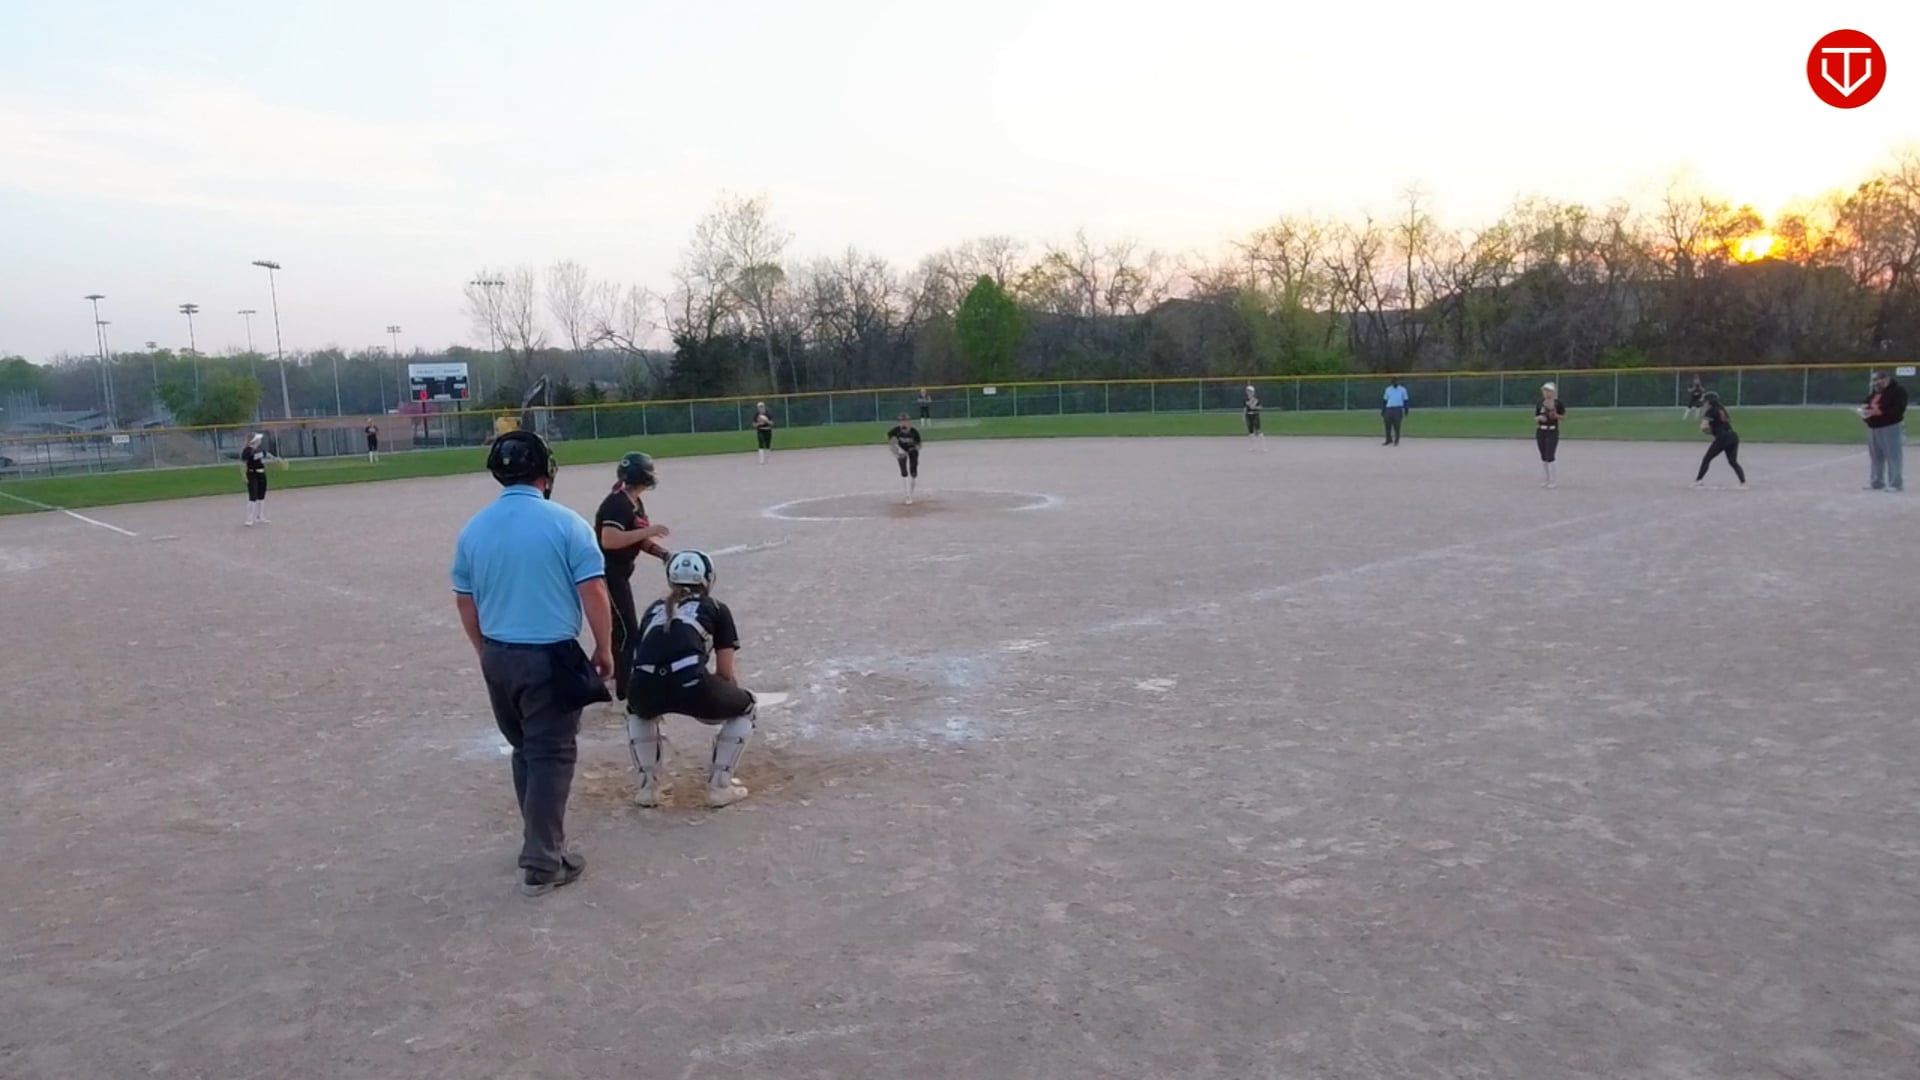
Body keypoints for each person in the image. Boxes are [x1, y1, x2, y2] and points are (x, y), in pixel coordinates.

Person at [451, 430, 614, 897]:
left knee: (526, 749)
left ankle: (540, 842)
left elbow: (465, 600)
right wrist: (604, 648)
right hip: (548, 655)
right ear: (546, 472)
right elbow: (593, 590)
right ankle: (543, 861)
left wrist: (484, 651)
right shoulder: (566, 523)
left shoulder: (474, 528)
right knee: (551, 755)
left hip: (498, 653)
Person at [624, 550, 758, 809]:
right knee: (747, 706)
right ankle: (720, 786)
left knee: (637, 710)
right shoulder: (716, 608)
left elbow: (642, 657)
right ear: (708, 578)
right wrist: (718, 701)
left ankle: (648, 788)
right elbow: (725, 673)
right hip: (691, 684)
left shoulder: (654, 609)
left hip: (643, 686)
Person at [595, 451, 671, 704]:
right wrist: (649, 531)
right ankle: (625, 689)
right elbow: (610, 540)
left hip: (619, 573)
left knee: (620, 629)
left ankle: (607, 676)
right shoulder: (616, 504)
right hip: (608, 573)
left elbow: (635, 537)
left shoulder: (633, 501)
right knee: (627, 630)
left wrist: (661, 553)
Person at [1860, 369, 1907, 492]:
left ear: (1886, 379)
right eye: (1874, 381)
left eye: (1878, 380)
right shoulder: (1874, 393)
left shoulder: (1898, 391)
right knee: (1876, 456)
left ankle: (1895, 483)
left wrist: (1880, 412)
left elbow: (1898, 410)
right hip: (1873, 427)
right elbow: (1867, 403)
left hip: (1890, 427)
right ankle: (1877, 482)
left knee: (1893, 456)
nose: (1876, 383)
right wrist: (1864, 411)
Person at [1692, 391, 1748, 490]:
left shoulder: (1711, 410)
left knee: (1707, 459)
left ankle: (1698, 480)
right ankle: (1743, 483)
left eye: (1705, 401)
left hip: (1723, 437)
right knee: (1733, 461)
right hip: (1733, 436)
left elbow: (1704, 426)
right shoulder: (1722, 409)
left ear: (1710, 401)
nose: (1704, 403)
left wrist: (1705, 430)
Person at [240, 432, 279, 527]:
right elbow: (243, 464)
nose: (260, 440)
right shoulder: (247, 451)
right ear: (254, 440)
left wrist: (275, 458)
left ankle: (260, 516)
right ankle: (249, 519)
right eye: (258, 439)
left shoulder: (259, 449)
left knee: (261, 495)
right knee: (253, 496)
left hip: (261, 473)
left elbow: (266, 454)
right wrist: (244, 476)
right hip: (252, 474)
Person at [1535, 382, 1567, 488]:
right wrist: (1539, 418)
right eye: (1544, 391)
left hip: (1552, 431)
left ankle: (1554, 480)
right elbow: (1536, 417)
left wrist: (1555, 415)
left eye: (1548, 391)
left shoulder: (1558, 403)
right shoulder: (1540, 403)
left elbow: (1563, 417)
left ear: (1553, 392)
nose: (1546, 393)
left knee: (1550, 455)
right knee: (1543, 456)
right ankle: (1546, 479)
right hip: (1541, 431)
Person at [887, 413, 923, 504]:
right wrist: (894, 449)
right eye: (901, 421)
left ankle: (910, 493)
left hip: (912, 450)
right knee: (904, 471)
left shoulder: (914, 432)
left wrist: (915, 449)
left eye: (905, 421)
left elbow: (919, 444)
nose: (903, 423)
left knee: (913, 472)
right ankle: (908, 496)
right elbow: (889, 438)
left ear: (909, 422)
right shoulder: (896, 431)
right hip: (901, 450)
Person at [1382, 379, 1409, 445]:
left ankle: (1396, 440)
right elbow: (1385, 401)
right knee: (1387, 425)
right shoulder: (1388, 389)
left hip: (1398, 408)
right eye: (1393, 382)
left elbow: (1405, 400)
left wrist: (1406, 409)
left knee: (1397, 425)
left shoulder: (1403, 389)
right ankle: (1388, 439)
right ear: (1392, 383)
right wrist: (1383, 410)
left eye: (1396, 382)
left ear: (1398, 382)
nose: (1395, 383)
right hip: (1389, 408)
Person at [1243, 384, 1266, 451]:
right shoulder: (1245, 399)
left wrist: (1255, 407)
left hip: (1255, 415)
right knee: (1251, 432)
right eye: (1247, 391)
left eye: (1250, 391)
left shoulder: (1257, 399)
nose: (1248, 392)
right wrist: (1243, 416)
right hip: (1248, 415)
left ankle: (1263, 446)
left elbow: (1260, 407)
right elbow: (1245, 408)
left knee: (1258, 431)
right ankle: (1252, 446)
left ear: (1253, 392)